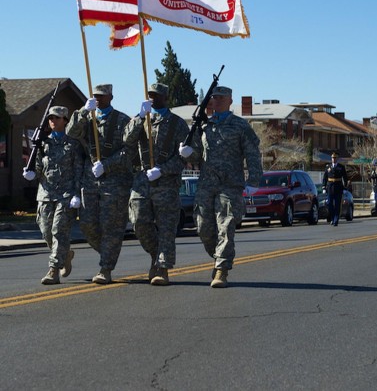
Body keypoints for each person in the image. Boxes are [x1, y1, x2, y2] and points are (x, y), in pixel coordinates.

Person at [179, 85, 262, 288]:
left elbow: (252, 154)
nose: (215, 101)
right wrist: (187, 152)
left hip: (230, 185)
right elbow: (198, 156)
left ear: (229, 101)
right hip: (207, 184)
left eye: (220, 98)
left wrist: (253, 182)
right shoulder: (204, 126)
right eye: (213, 97)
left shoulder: (240, 126)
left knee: (225, 226)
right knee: (203, 228)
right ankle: (218, 259)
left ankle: (221, 270)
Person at [67, 84, 133, 284]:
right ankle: (108, 253)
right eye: (95, 96)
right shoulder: (87, 117)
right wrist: (82, 111)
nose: (98, 99)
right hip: (90, 180)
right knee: (87, 224)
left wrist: (107, 164)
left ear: (111, 97)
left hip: (114, 181)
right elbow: (71, 132)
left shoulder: (122, 120)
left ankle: (106, 268)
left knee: (111, 227)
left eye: (102, 96)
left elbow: (128, 150)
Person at [124, 83, 189, 286]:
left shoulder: (178, 124)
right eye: (150, 94)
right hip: (142, 181)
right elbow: (126, 140)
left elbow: (184, 157)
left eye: (156, 95)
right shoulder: (141, 119)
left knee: (167, 228)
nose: (152, 98)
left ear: (165, 97)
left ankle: (162, 268)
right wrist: (139, 118)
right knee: (139, 223)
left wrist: (163, 169)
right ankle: (156, 254)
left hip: (167, 183)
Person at [22, 106, 84, 285]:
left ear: (65, 120)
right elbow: (40, 167)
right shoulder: (42, 143)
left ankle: (53, 270)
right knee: (46, 231)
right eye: (51, 118)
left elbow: (78, 170)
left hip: (65, 195)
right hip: (45, 194)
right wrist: (31, 173)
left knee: (58, 231)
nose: (53, 121)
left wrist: (77, 194)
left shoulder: (73, 144)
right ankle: (65, 255)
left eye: (57, 118)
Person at [323, 152, 348, 226]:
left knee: (337, 205)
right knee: (329, 204)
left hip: (338, 187)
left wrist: (344, 187)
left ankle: (336, 220)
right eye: (332, 158)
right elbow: (325, 177)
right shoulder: (328, 167)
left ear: (337, 159)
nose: (334, 159)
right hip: (330, 187)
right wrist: (324, 187)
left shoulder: (341, 167)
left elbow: (345, 178)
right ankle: (332, 217)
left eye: (335, 158)